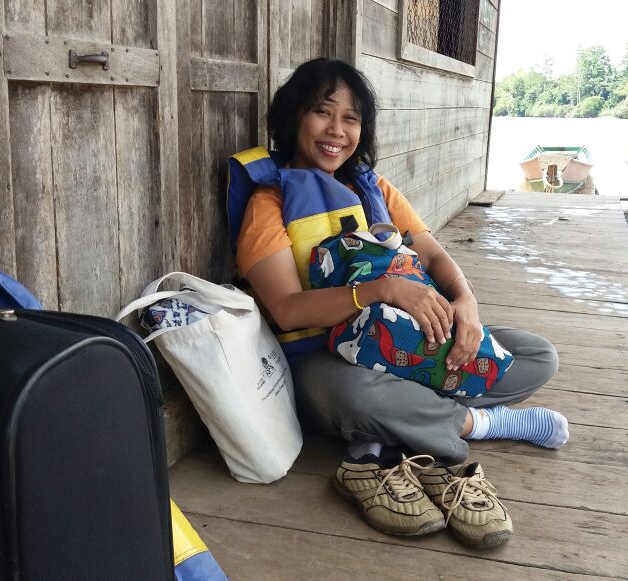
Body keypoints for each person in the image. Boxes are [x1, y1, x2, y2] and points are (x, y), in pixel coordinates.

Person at [234, 58, 569, 549]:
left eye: (351, 119)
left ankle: (385, 433)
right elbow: (287, 308)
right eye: (323, 113)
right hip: (326, 364)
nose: (337, 131)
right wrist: (380, 290)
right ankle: (480, 424)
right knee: (361, 397)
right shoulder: (268, 204)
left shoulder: (377, 190)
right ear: (293, 118)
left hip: (409, 347)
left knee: (537, 357)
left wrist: (466, 304)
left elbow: (433, 255)